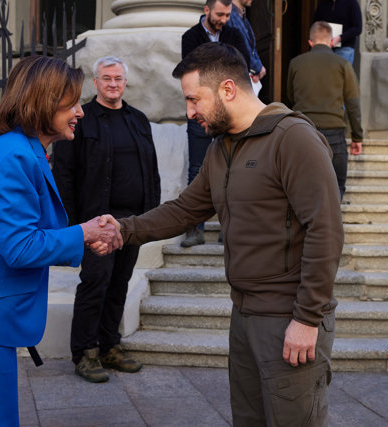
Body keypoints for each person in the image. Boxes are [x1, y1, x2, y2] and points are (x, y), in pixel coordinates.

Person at [104, 42, 344, 426]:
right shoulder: (221, 150)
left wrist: (307, 318)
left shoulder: (293, 138)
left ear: (228, 89)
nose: (189, 112)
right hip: (245, 316)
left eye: (194, 99)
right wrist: (124, 230)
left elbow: (326, 230)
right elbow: (185, 210)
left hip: (289, 317)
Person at [0, 55, 122, 426]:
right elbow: (19, 247)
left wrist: (84, 232)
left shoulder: (23, 150)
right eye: (71, 102)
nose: (80, 111)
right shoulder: (16, 156)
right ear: (42, 101)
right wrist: (85, 233)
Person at [53, 56, 161, 383]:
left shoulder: (138, 120)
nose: (113, 84)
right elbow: (65, 174)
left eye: (118, 79)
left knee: (118, 285)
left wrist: (150, 219)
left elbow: (151, 172)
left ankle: (109, 346)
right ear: (96, 83)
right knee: (95, 284)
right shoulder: (82, 120)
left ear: (125, 83)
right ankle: (85, 353)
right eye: (106, 78)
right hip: (95, 223)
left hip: (131, 224)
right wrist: (74, 226)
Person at [180, 0, 252, 247]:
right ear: (206, 10)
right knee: (196, 168)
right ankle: (194, 230)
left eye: (228, 15)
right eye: (220, 14)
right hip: (200, 113)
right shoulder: (190, 36)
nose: (224, 19)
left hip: (227, 112)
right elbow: (190, 72)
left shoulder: (233, 33)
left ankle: (228, 228)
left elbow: (242, 66)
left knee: (233, 167)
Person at [287, 21, 363, 199]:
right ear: (331, 42)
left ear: (310, 42)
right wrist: (357, 137)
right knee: (336, 188)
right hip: (334, 133)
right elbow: (353, 103)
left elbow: (290, 96)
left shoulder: (295, 63)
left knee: (303, 186)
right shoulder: (343, 64)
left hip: (303, 131)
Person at [227, 0, 266, 94]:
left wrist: (259, 67)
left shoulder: (242, 15)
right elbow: (239, 47)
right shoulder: (229, 14)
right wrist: (257, 68)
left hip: (247, 76)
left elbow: (252, 47)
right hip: (237, 77)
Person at [314, 0, 362, 64]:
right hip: (324, 48)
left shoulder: (352, 2)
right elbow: (316, 24)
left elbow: (358, 28)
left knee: (340, 74)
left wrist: (340, 38)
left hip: (344, 49)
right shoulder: (322, 4)